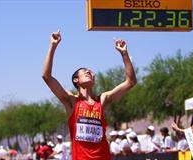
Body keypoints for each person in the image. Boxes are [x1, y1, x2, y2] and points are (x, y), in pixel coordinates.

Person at [42, 30, 137, 160]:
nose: (89, 72)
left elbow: (131, 82)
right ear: (76, 80)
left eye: (91, 72)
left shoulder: (102, 100)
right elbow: (46, 77)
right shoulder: (72, 101)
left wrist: (124, 53)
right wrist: (53, 45)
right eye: (84, 72)